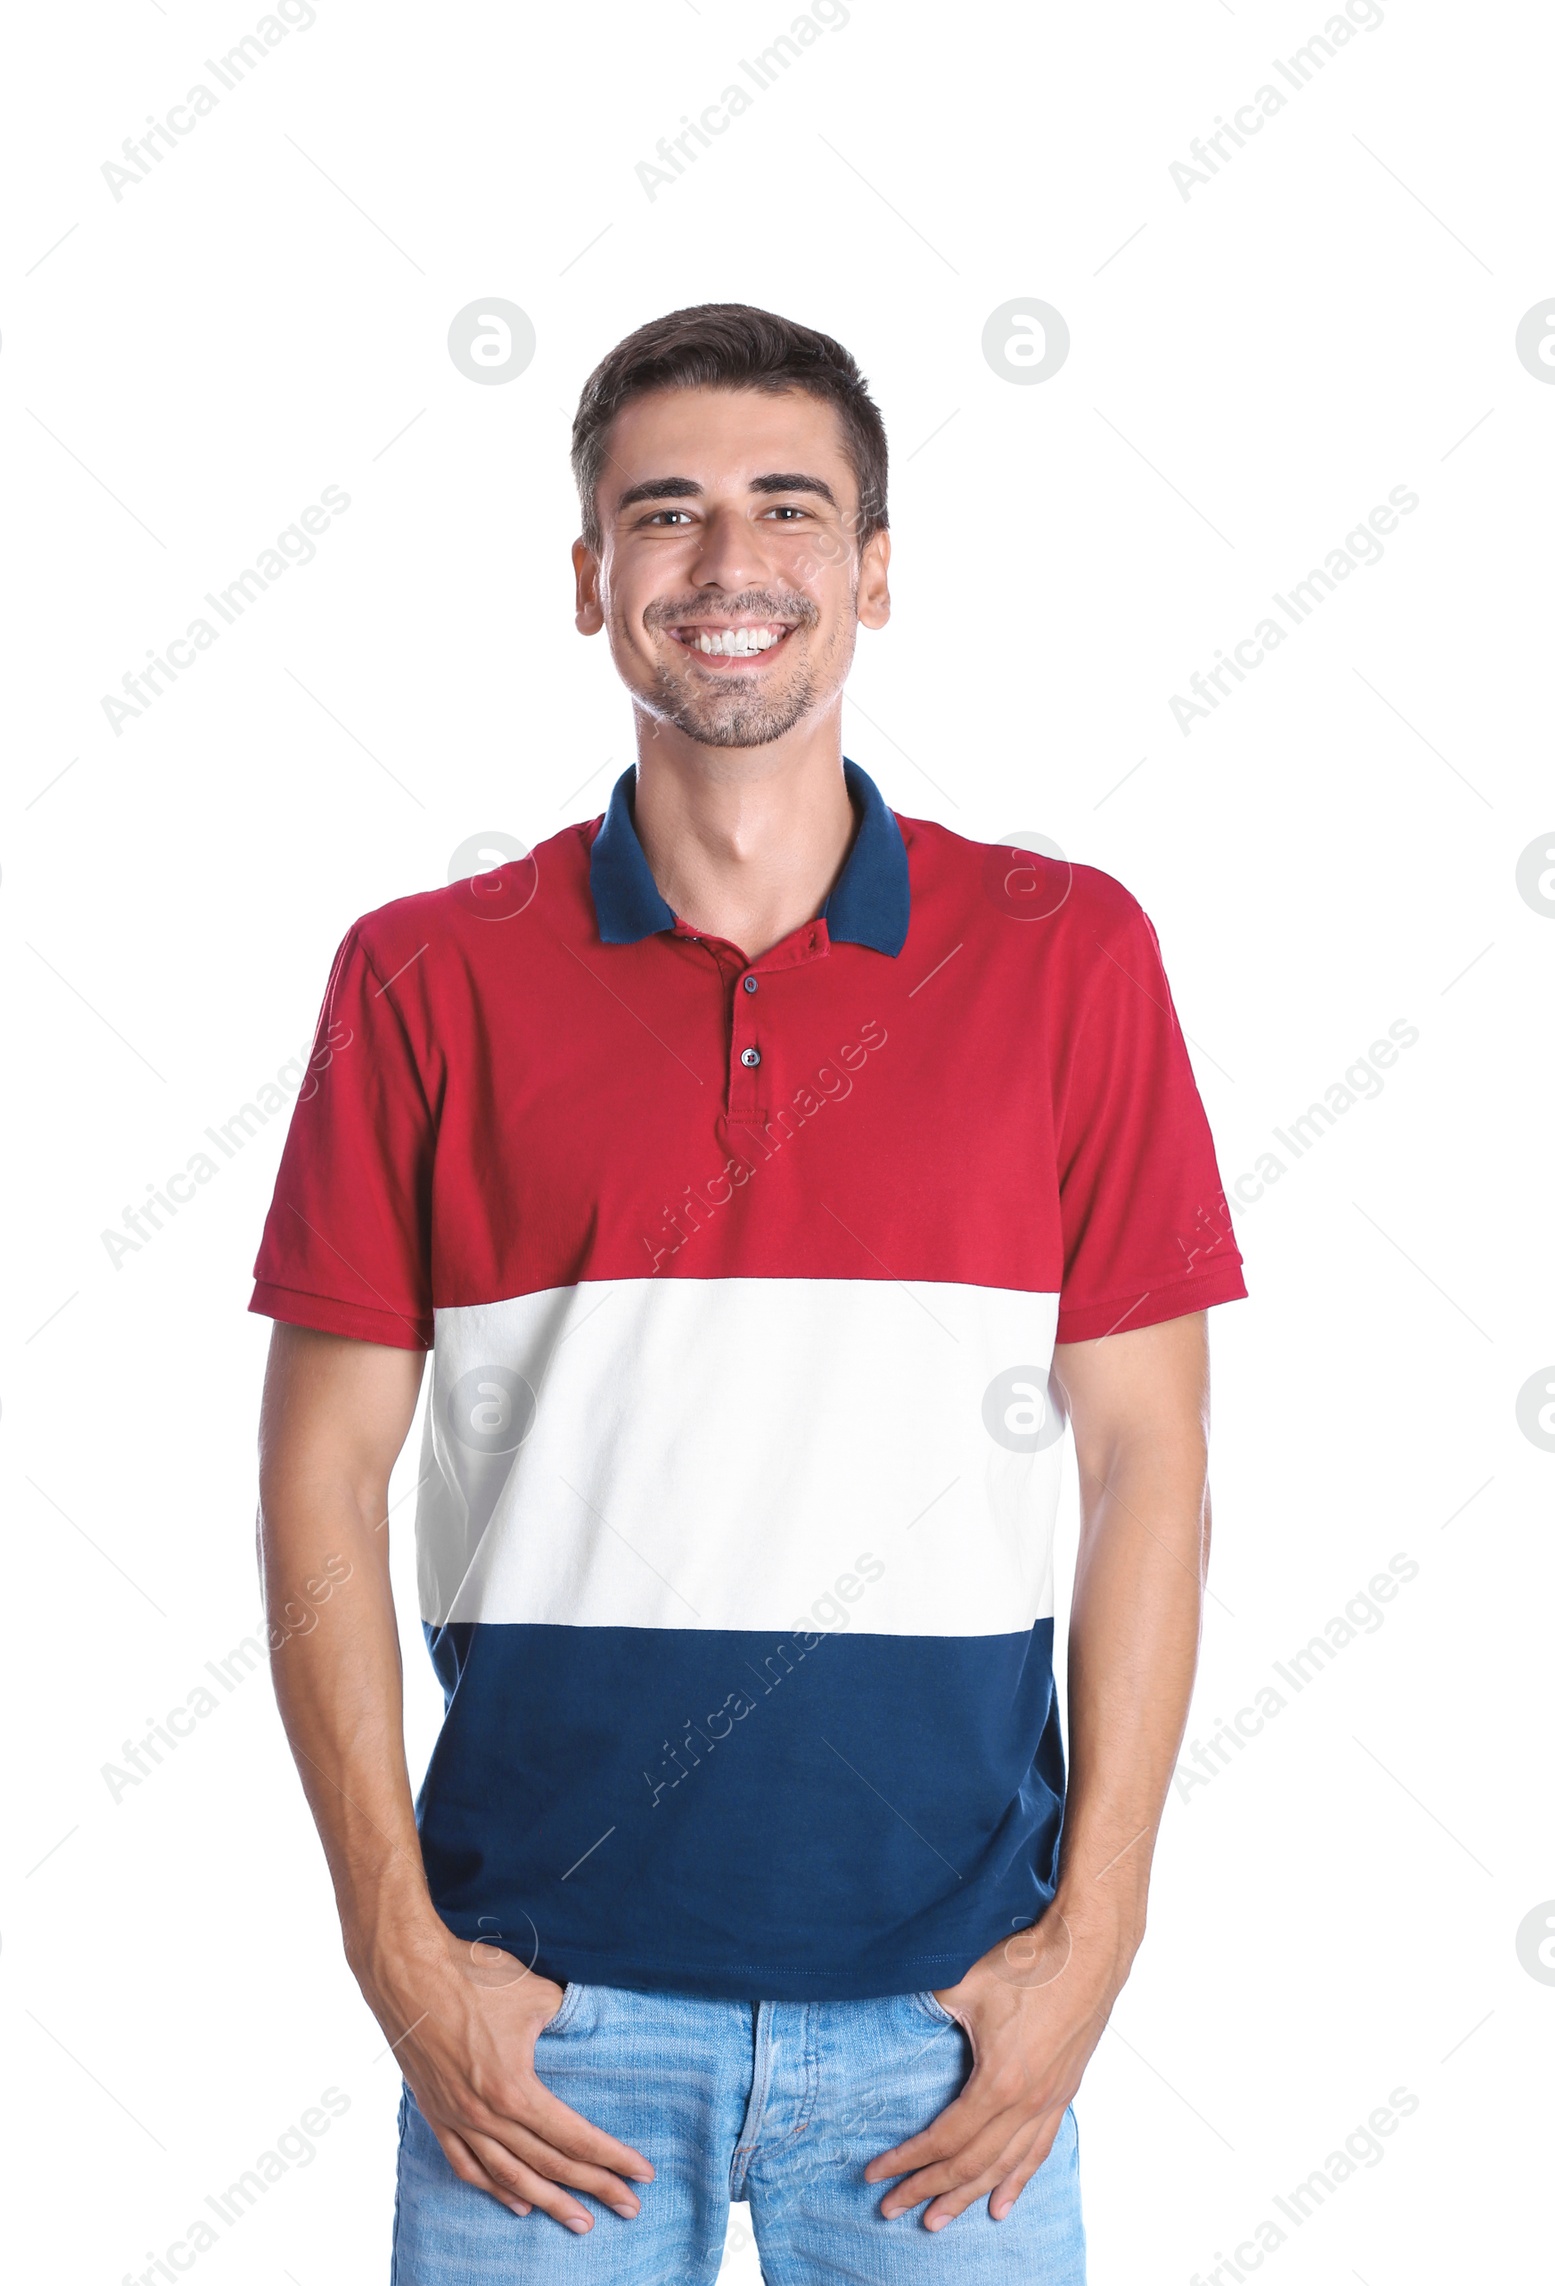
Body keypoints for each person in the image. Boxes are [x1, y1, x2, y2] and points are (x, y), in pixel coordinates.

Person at [251, 302, 1247, 2285]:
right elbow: (314, 1485)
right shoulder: (420, 976)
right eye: (665, 514)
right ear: (588, 578)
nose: (727, 568)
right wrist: (398, 1954)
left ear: (871, 572)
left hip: (947, 2030)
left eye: (786, 511)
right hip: (534, 2031)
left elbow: (1149, 1464)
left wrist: (1093, 1942)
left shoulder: (1066, 954)